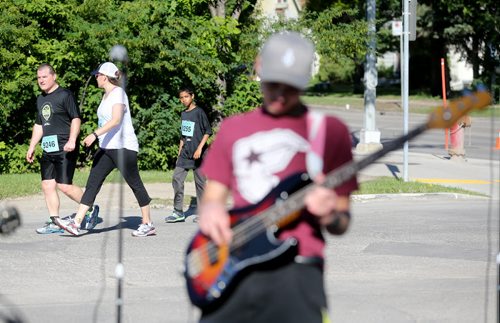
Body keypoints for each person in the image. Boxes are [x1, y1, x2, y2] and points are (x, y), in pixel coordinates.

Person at [195, 32, 358, 322]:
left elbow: (342, 221)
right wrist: (210, 211)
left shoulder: (330, 132)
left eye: (291, 87)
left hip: (297, 271)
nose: (280, 95)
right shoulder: (234, 129)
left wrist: (328, 215)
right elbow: (213, 197)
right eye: (273, 84)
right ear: (259, 68)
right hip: (236, 266)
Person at [55, 62, 155, 237]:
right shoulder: (106, 96)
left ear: (105, 76)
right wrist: (97, 138)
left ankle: (147, 223)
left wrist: (94, 134)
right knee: (93, 183)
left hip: (123, 147)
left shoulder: (119, 94)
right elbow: (106, 121)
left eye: (98, 75)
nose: (96, 77)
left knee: (134, 183)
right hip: (107, 147)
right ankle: (76, 223)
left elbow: (116, 120)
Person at [27, 63, 99, 234]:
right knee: (47, 185)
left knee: (64, 186)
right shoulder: (41, 99)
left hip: (66, 147)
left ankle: (90, 208)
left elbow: (76, 119)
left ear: (54, 76)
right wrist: (31, 146)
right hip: (48, 148)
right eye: (38, 77)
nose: (41, 80)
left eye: (44, 76)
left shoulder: (65, 95)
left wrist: (72, 140)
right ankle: (55, 221)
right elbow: (39, 124)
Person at [165, 88, 212, 223]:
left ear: (192, 96)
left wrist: (199, 148)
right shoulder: (184, 114)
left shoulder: (199, 112)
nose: (184, 99)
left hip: (199, 154)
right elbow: (183, 135)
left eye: (186, 96)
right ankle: (178, 212)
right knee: (177, 179)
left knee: (200, 184)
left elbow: (207, 131)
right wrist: (179, 152)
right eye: (181, 97)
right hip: (185, 153)